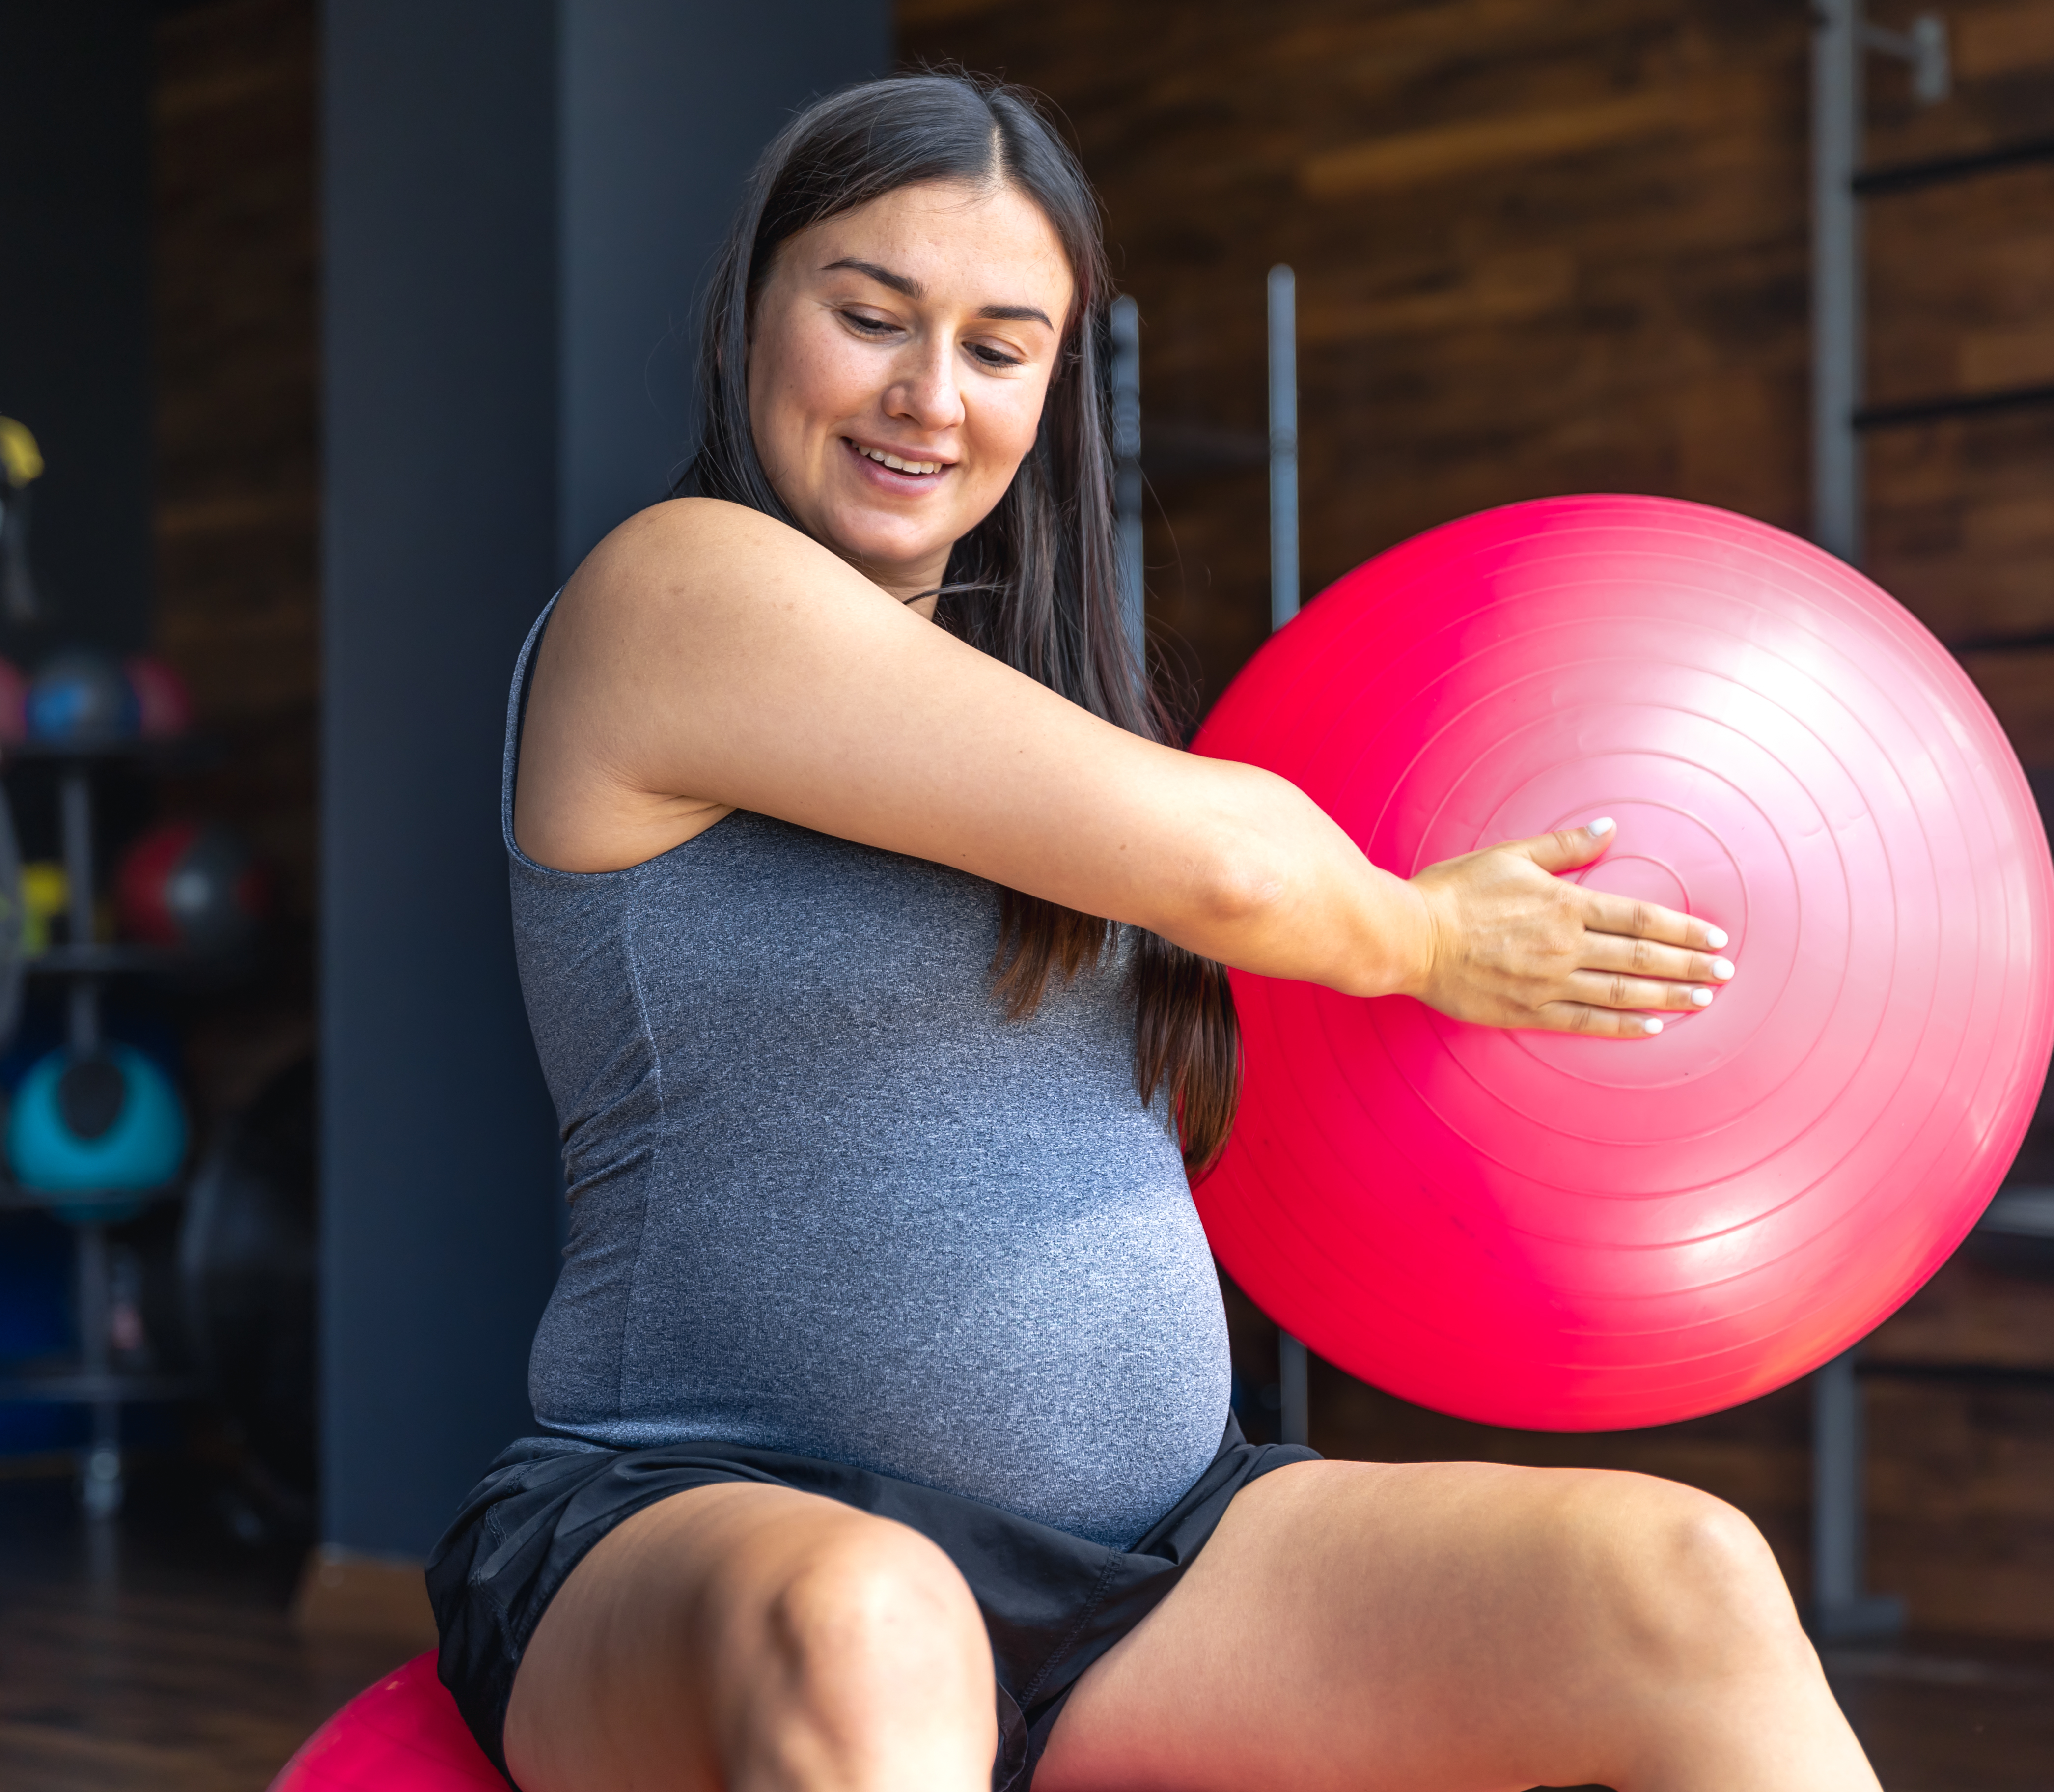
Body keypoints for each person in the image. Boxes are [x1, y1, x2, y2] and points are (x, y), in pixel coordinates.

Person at [427, 70, 1882, 1792]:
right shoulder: (672, 591)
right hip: (701, 1526)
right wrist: (1426, 939)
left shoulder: (1038, 700)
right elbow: (1244, 875)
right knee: (877, 1623)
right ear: (754, 313)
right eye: (869, 316)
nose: (927, 394)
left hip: (1157, 1570)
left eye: (998, 345)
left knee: (1686, 1585)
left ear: (1054, 385)